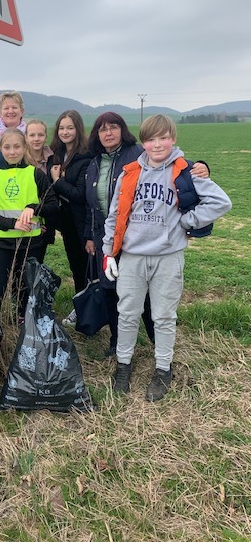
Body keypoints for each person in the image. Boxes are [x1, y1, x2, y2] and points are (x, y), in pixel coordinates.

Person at [102, 115, 231, 401]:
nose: (157, 144)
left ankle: (163, 369)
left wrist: (188, 221)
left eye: (163, 138)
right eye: (151, 139)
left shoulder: (185, 172)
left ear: (173, 139)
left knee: (163, 316)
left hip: (168, 257)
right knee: (128, 313)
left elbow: (221, 202)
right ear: (143, 142)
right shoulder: (130, 173)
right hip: (132, 257)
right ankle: (123, 364)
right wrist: (108, 252)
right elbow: (115, 215)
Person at [84, 111, 209, 357]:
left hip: (144, 237)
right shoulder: (95, 162)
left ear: (123, 130)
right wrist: (92, 236)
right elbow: (91, 203)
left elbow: (173, 163)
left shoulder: (137, 154)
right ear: (96, 135)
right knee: (113, 291)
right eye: (102, 129)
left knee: (149, 297)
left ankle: (156, 344)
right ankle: (118, 344)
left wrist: (201, 166)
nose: (108, 133)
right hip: (109, 235)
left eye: (113, 127)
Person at [0, 128, 59, 320]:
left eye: (17, 147)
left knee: (26, 290)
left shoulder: (36, 174)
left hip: (30, 243)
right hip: (1, 243)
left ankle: (23, 325)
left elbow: (53, 205)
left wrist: (33, 208)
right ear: (0, 148)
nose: (12, 152)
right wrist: (13, 224)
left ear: (24, 147)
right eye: (7, 147)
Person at [49, 110, 92, 326]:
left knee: (84, 266)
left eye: (70, 128)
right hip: (66, 221)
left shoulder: (86, 156)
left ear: (78, 129)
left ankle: (86, 311)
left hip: (81, 220)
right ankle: (81, 305)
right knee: (75, 265)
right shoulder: (56, 154)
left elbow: (79, 194)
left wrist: (58, 181)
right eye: (62, 128)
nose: (65, 132)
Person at [25, 119, 57, 262]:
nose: (36, 139)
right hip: (25, 220)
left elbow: (52, 195)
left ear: (46, 137)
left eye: (40, 135)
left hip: (46, 217)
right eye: (32, 135)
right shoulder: (20, 160)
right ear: (26, 137)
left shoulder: (54, 159)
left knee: (36, 263)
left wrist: (43, 223)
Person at [0, 91, 26, 171]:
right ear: (0, 113)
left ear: (22, 111)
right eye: (6, 108)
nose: (10, 111)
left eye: (14, 107)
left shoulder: (29, 135)